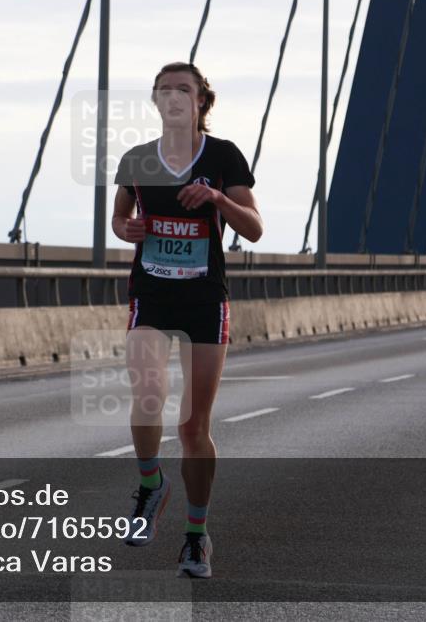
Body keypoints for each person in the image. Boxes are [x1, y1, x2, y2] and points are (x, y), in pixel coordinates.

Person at [110, 62, 262, 578]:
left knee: (193, 425)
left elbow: (255, 227)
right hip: (151, 294)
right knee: (147, 393)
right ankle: (152, 484)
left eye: (184, 89)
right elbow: (120, 215)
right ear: (155, 102)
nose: (173, 97)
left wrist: (219, 199)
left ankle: (196, 536)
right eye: (164, 90)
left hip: (204, 300)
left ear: (201, 102)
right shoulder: (136, 159)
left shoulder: (222, 157)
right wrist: (125, 228)